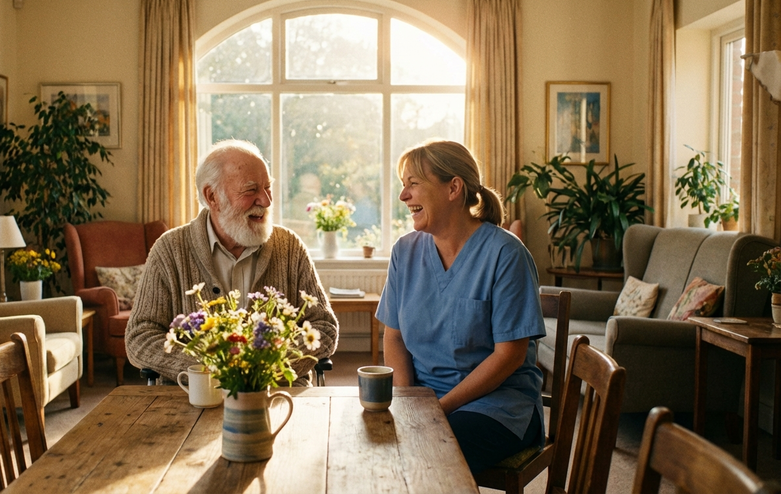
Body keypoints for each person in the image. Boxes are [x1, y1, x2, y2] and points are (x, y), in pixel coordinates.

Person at [375, 139, 546, 476]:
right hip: (426, 400)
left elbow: (509, 355)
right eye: (403, 185)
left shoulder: (506, 254)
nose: (403, 196)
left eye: (413, 184)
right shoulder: (404, 252)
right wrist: (411, 404)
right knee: (369, 442)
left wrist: (438, 410)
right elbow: (393, 338)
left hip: (497, 406)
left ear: (453, 188)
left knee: (428, 453)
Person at [126, 139, 339, 384]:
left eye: (267, 187)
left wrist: (266, 367)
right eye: (251, 190)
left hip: (278, 393)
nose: (266, 200)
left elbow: (324, 326)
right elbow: (140, 337)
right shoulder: (169, 250)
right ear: (212, 196)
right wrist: (209, 370)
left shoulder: (289, 246)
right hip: (191, 397)